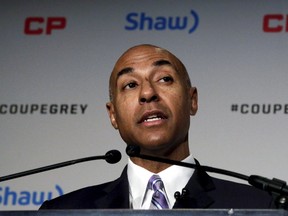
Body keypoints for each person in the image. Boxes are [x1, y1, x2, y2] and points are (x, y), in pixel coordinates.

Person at [40, 44, 275, 209]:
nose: (148, 93)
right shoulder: (65, 210)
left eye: (164, 79)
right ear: (113, 115)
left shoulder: (259, 206)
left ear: (192, 100)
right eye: (130, 84)